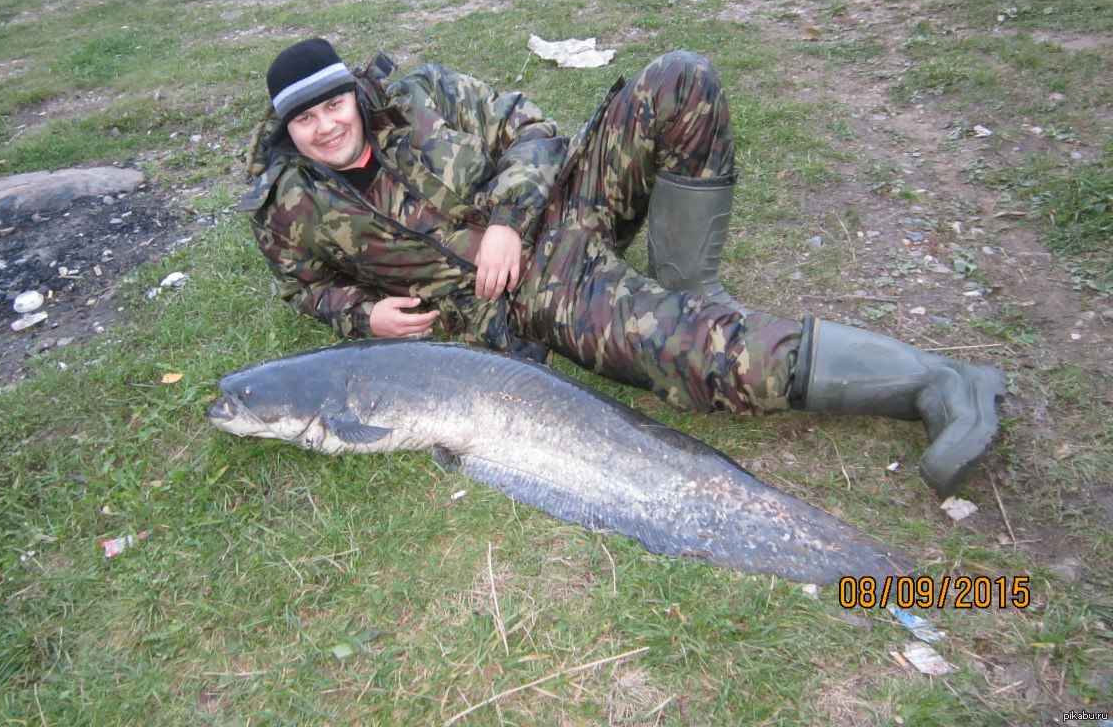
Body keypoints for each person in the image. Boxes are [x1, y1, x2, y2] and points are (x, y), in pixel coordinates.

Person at [241, 37, 1004, 498]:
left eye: (331, 104)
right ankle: (935, 384)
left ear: (353, 91)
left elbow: (532, 129)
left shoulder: (423, 94)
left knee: (679, 79)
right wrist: (360, 317)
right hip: (538, 296)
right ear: (288, 130)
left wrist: (508, 221)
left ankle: (688, 287)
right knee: (710, 357)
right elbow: (302, 287)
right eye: (304, 119)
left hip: (560, 205)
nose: (326, 126)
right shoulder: (286, 207)